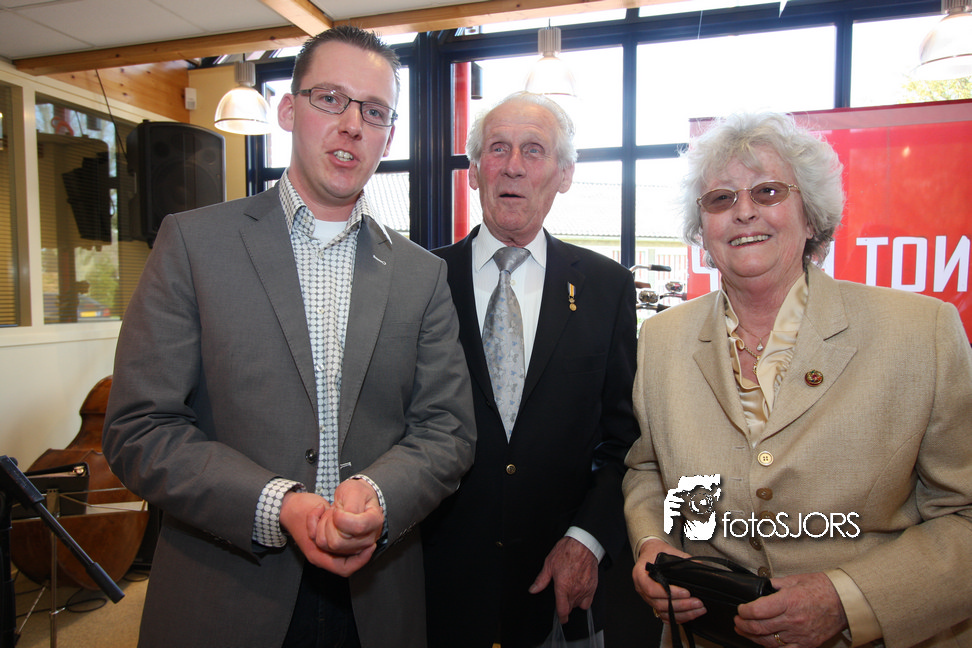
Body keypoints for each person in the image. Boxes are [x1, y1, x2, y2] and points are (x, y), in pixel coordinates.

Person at [102, 26, 476, 648]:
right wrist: (276, 504)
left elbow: (448, 430)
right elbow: (140, 428)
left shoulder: (422, 274)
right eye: (330, 98)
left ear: (388, 134)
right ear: (288, 110)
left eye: (374, 111)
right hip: (227, 593)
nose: (352, 125)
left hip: (375, 602)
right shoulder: (194, 244)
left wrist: (379, 493)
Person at [623, 111, 972, 648]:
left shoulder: (921, 333)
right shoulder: (662, 340)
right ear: (703, 230)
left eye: (768, 192)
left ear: (811, 218)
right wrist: (651, 541)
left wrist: (847, 598)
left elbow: (964, 515)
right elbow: (648, 469)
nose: (743, 211)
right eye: (720, 198)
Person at [423, 91, 641, 648]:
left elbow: (625, 442)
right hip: (437, 588)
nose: (514, 166)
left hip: (561, 592)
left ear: (564, 175)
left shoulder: (607, 289)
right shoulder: (421, 281)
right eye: (497, 149)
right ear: (475, 171)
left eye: (534, 150)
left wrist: (588, 538)